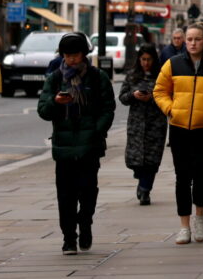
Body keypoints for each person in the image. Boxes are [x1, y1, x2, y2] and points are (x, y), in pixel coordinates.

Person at [153, 23, 203, 244]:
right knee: (182, 177)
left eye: (197, 39)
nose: (192, 43)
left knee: (200, 174)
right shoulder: (173, 64)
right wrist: (170, 109)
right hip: (179, 128)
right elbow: (159, 90)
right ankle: (184, 225)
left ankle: (199, 217)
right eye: (189, 39)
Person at [37, 33, 115, 255]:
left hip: (89, 145)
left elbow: (108, 108)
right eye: (67, 55)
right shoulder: (54, 78)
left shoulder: (97, 77)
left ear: (84, 54)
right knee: (66, 195)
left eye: (76, 54)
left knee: (88, 191)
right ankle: (69, 237)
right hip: (64, 147)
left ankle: (86, 224)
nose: (71, 59)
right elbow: (43, 110)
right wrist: (56, 102)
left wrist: (96, 131)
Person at [120, 45, 168, 206]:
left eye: (149, 59)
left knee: (152, 160)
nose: (146, 63)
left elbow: (169, 97)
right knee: (135, 161)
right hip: (137, 124)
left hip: (156, 124)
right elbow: (122, 98)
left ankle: (145, 189)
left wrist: (152, 99)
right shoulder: (132, 76)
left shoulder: (162, 75)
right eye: (143, 59)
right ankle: (141, 181)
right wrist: (133, 96)